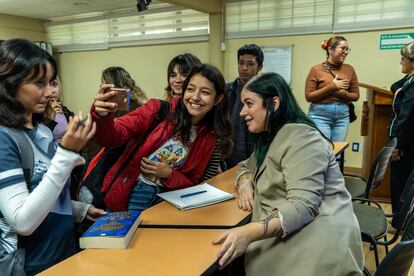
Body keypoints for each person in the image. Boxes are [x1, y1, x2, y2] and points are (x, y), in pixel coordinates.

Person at [213, 73, 364, 276]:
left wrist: (249, 232)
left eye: (249, 104)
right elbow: (246, 166)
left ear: (274, 104)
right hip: (297, 236)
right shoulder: (273, 135)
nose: (242, 112)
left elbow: (303, 204)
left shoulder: (301, 137)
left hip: (316, 249)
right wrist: (245, 184)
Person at [0, 39, 105, 275]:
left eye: (51, 83)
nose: (49, 92)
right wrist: (66, 154)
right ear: (9, 84)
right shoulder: (4, 138)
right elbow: (22, 221)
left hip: (64, 254)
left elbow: (43, 190)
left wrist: (79, 210)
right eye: (39, 83)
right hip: (31, 265)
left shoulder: (43, 131)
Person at [91, 63, 233, 212]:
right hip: (134, 191)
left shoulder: (210, 137)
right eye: (190, 89)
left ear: (217, 99)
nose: (195, 97)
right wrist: (102, 116)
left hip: (172, 199)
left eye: (205, 92)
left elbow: (194, 182)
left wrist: (169, 174)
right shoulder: (156, 110)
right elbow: (112, 137)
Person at [305, 35, 359, 141]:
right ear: (330, 49)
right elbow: (309, 96)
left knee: (337, 151)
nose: (346, 52)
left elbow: (356, 95)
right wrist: (332, 86)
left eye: (347, 49)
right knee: (322, 150)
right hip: (319, 116)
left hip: (342, 117)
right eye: (343, 48)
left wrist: (343, 94)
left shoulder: (350, 69)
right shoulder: (316, 70)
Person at [226, 44, 263, 169]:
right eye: (241, 63)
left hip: (255, 154)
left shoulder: (266, 92)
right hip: (229, 154)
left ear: (260, 67)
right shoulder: (227, 90)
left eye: (250, 64)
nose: (244, 68)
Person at [388, 42, 414, 214]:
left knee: (401, 180)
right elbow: (395, 86)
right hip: (406, 141)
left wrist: (397, 145)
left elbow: (406, 117)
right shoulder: (409, 80)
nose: (400, 62)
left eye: (403, 58)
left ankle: (399, 220)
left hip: (406, 143)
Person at [44, 77, 74, 144]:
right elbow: (42, 143)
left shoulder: (65, 111)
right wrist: (51, 119)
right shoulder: (36, 116)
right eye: (46, 86)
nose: (52, 91)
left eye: (54, 84)